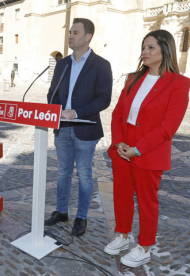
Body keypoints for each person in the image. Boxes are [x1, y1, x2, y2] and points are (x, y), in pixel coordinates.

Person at [104, 29, 190, 268]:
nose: (145, 52)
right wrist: (119, 141)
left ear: (166, 49)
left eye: (151, 47)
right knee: (121, 195)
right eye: (143, 47)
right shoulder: (133, 78)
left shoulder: (179, 83)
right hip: (123, 146)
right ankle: (122, 235)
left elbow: (167, 127)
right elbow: (119, 112)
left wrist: (138, 149)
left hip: (149, 150)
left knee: (146, 201)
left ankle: (144, 247)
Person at [45, 18, 112, 237]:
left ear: (88, 37)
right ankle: (61, 211)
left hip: (86, 129)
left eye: (75, 32)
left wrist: (77, 111)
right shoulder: (63, 64)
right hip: (62, 128)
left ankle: (81, 217)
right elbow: (52, 93)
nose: (70, 36)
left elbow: (104, 99)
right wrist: (54, 110)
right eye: (70, 32)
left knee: (84, 174)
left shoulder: (102, 65)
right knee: (63, 172)